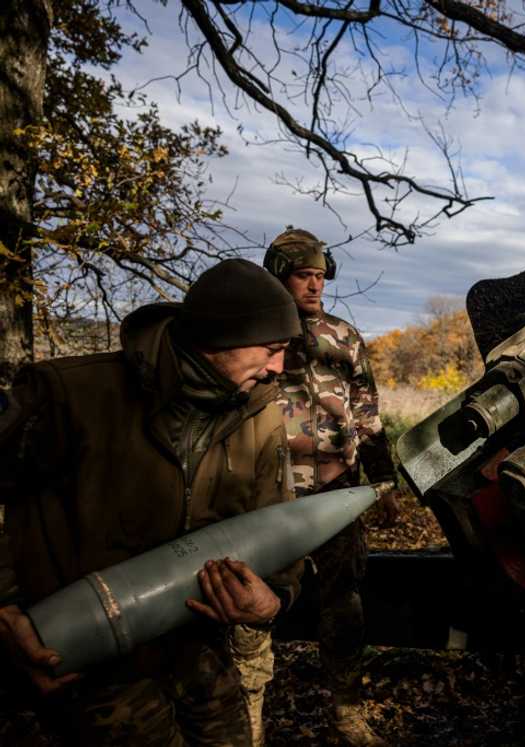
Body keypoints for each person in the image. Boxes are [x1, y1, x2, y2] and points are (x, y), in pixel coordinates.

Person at [0, 258, 304, 746]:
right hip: (94, 669)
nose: (278, 367)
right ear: (219, 337)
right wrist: (4, 606)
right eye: (271, 350)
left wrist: (274, 597)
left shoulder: (260, 413)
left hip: (202, 658)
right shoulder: (68, 395)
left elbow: (280, 524)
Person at [260, 227, 398, 746]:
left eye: (320, 276)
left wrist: (384, 482)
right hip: (271, 497)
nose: (315, 286)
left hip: (338, 494)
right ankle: (248, 706)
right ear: (279, 276)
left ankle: (347, 713)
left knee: (344, 604)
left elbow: (368, 414)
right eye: (303, 276)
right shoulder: (260, 335)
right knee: (258, 602)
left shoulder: (344, 337)